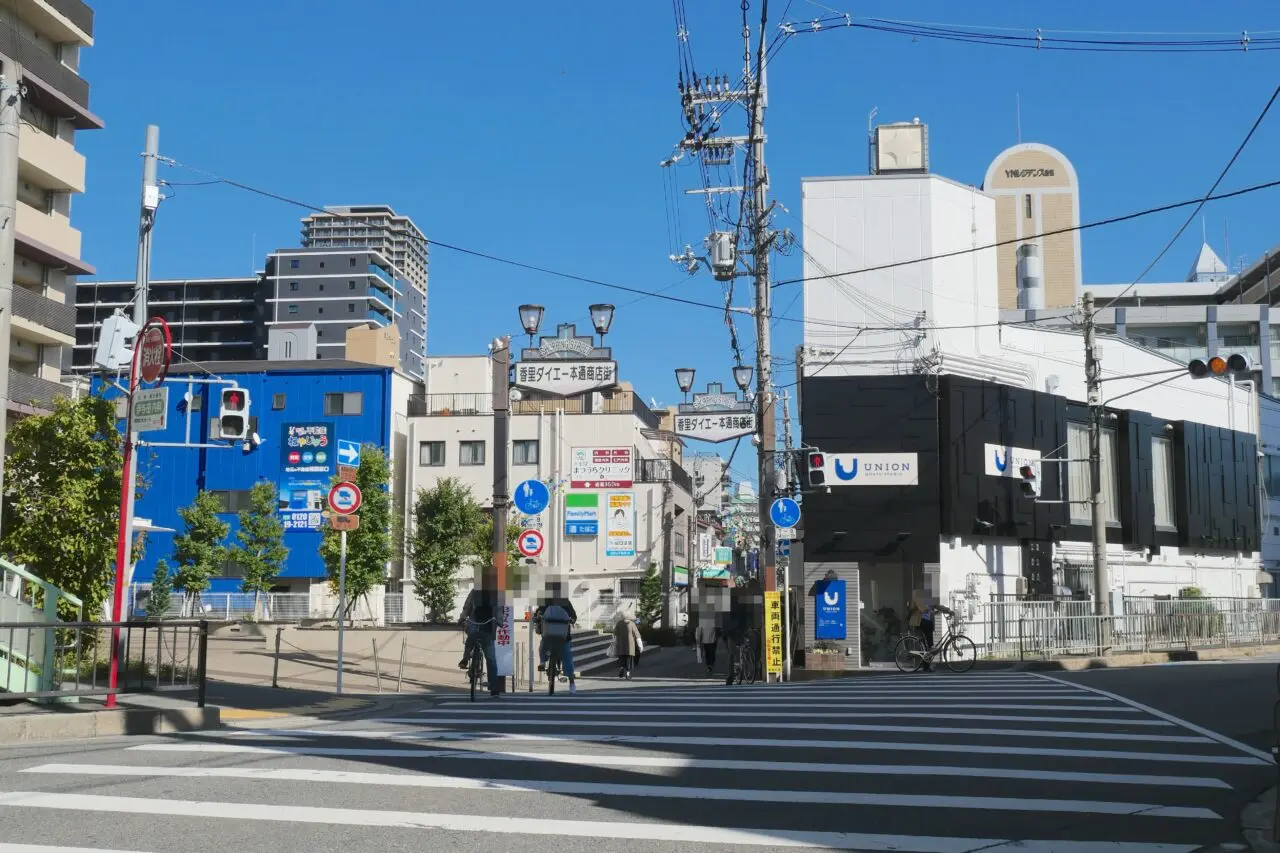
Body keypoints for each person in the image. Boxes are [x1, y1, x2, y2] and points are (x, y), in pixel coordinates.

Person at [458, 584, 501, 697]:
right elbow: (467, 607)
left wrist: (499, 620)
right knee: (472, 638)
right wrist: (462, 617)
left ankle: (494, 687)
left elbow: (499, 609)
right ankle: (466, 659)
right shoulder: (475, 592)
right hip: (475, 621)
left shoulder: (496, 593)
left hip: (489, 624)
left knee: (490, 658)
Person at [535, 585, 578, 695]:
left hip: (551, 634)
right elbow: (573, 615)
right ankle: (571, 682)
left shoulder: (549, 601)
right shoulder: (564, 602)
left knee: (544, 646)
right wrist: (572, 619)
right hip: (562, 635)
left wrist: (537, 616)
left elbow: (538, 612)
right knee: (567, 655)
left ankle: (543, 662)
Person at [722, 594, 751, 685]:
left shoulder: (727, 608)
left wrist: (724, 634)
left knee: (731, 654)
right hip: (742, 631)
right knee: (744, 649)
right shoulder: (743, 605)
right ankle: (746, 667)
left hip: (732, 633)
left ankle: (730, 677)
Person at [906, 589, 934, 672]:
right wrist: (929, 610)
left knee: (929, 645)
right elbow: (920, 608)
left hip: (926, 623)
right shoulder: (917, 601)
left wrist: (948, 611)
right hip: (921, 623)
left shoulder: (927, 602)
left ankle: (927, 665)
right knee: (927, 645)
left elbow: (937, 606)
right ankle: (926, 666)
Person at [613, 613, 642, 679]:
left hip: (620, 645)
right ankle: (628, 673)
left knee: (622, 658)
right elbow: (637, 634)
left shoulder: (619, 623)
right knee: (630, 660)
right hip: (630, 645)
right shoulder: (632, 624)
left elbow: (615, 633)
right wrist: (640, 645)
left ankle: (622, 667)